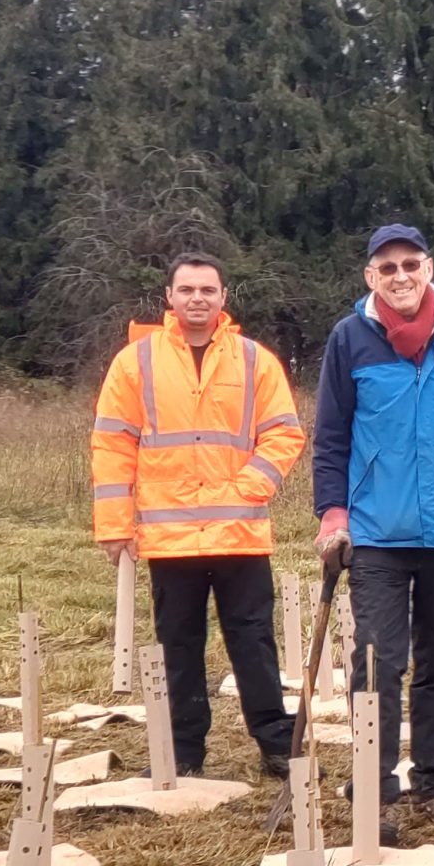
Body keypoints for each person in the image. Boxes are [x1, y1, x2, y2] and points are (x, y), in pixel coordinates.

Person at [311, 224, 434, 842]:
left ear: (429, 267)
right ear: (370, 277)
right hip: (376, 533)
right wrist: (334, 516)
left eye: (411, 264)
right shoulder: (351, 340)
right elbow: (332, 437)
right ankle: (375, 785)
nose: (400, 276)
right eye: (387, 267)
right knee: (376, 662)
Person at [91, 252, 306, 778]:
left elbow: (284, 433)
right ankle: (184, 754)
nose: (197, 299)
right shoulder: (135, 362)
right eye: (187, 290)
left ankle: (276, 746)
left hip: (239, 533)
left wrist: (250, 486)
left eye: (207, 290)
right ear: (169, 297)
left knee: (253, 641)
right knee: (179, 649)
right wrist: (116, 525)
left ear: (223, 298)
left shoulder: (255, 360)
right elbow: (112, 444)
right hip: (170, 539)